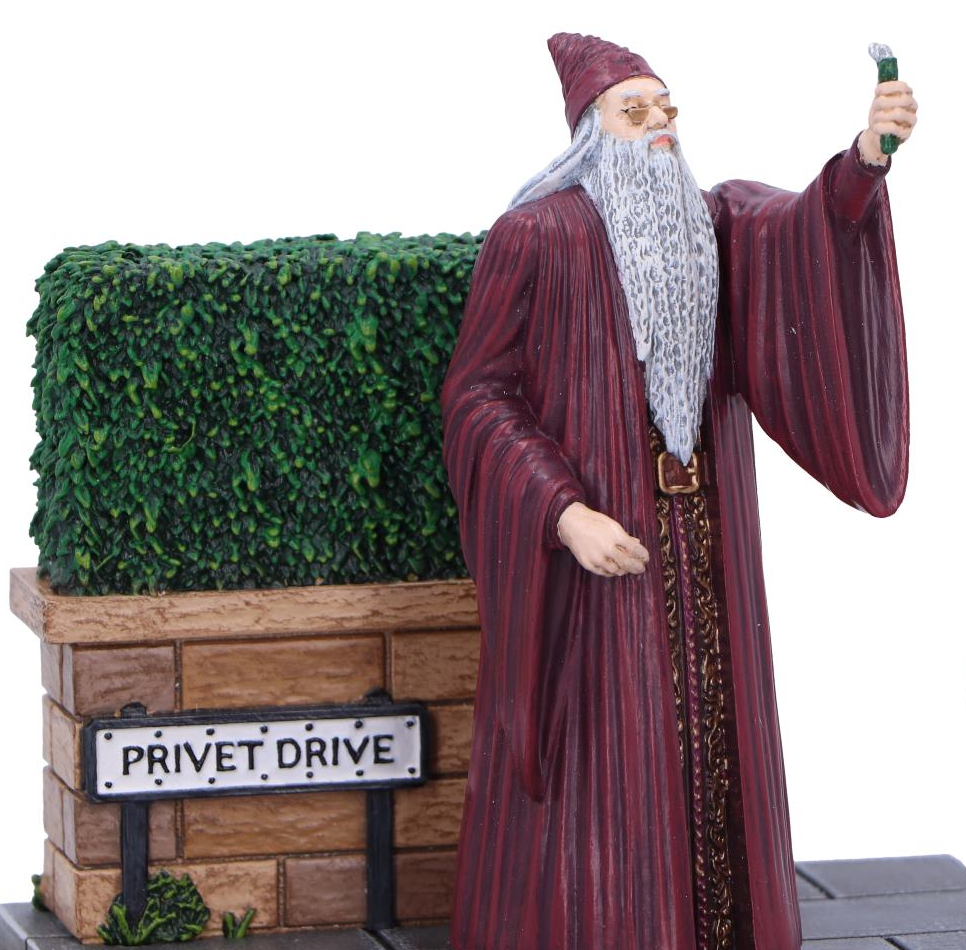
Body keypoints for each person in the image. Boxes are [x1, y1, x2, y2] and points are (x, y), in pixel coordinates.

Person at [440, 31, 916, 950]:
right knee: (608, 761)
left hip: (707, 540)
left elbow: (807, 235)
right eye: (635, 111)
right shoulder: (535, 236)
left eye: (666, 108)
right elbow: (477, 396)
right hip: (600, 555)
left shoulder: (715, 222)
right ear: (592, 133)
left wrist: (863, 163)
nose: (660, 125)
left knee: (716, 739)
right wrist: (561, 511)